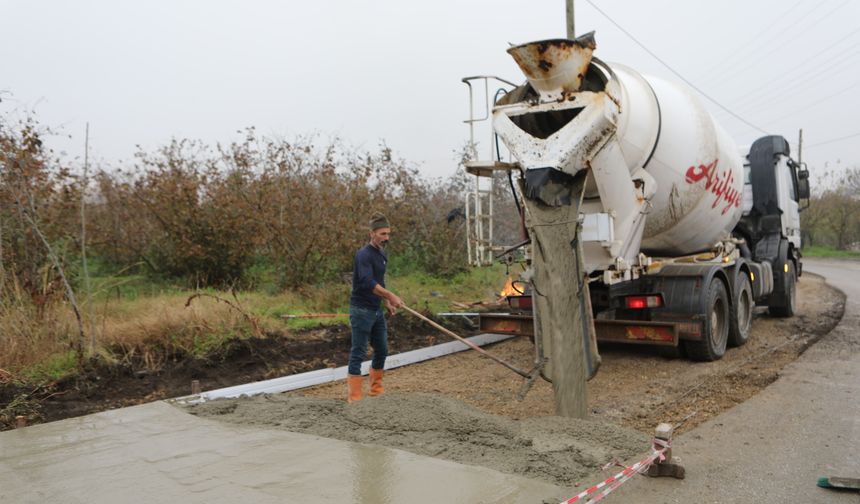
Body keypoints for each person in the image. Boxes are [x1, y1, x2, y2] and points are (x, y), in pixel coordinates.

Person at [347, 212, 404, 403]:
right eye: (382, 234)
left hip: (377, 310)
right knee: (359, 351)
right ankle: (355, 398)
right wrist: (391, 296)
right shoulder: (363, 255)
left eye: (388, 234)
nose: (386, 238)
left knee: (382, 350)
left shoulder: (381, 254)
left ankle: (376, 391)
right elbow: (367, 282)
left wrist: (387, 301)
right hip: (361, 310)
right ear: (372, 233)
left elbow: (380, 281)